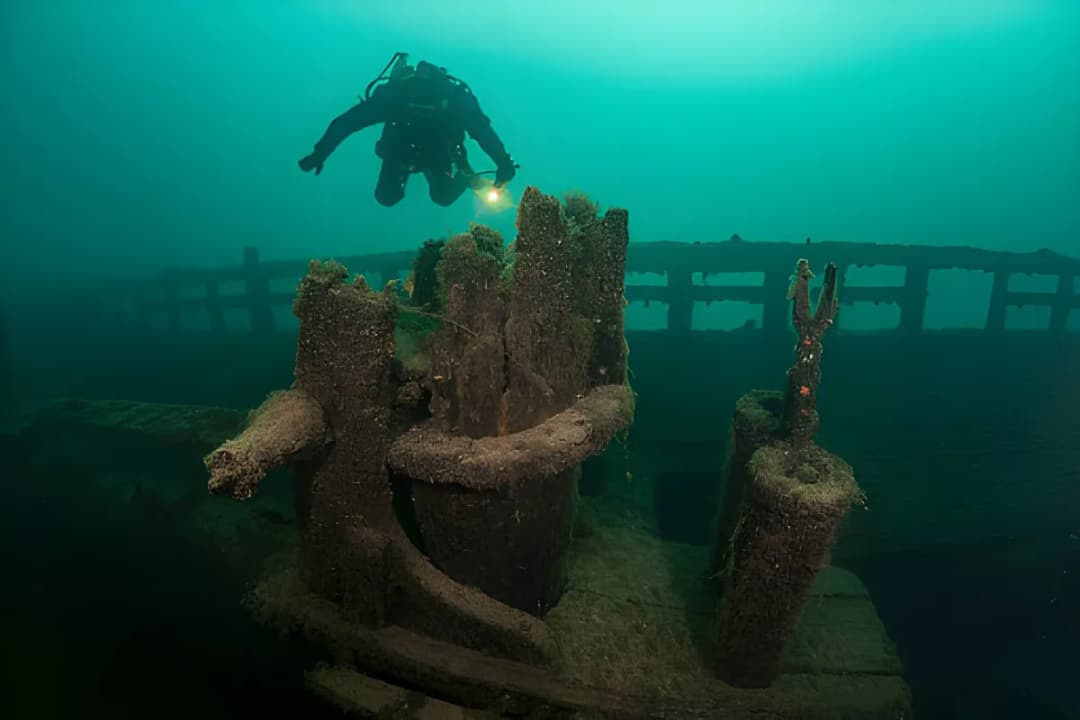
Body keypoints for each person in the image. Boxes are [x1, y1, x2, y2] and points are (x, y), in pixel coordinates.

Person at [298, 54, 517, 207]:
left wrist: (320, 153)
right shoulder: (400, 98)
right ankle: (465, 176)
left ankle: (465, 176)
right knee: (387, 196)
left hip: (436, 151)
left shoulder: (449, 101)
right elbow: (484, 133)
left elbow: (347, 123)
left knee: (442, 196)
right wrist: (503, 163)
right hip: (402, 150)